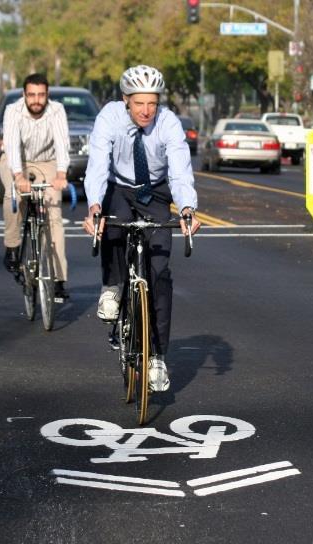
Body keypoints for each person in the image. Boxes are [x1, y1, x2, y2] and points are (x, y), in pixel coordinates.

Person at [83, 65, 200, 392]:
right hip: (118, 187)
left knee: (160, 272)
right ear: (126, 100)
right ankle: (112, 287)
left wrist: (188, 208)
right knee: (112, 225)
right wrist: (94, 206)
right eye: (139, 103)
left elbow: (179, 171)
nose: (146, 110)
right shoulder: (109, 117)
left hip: (156, 191)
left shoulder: (169, 123)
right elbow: (97, 165)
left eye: (152, 103)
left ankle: (157, 358)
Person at [1, 73, 70, 299]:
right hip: (16, 160)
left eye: (41, 95)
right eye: (31, 95)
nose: (36, 100)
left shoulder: (57, 110)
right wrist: (19, 178)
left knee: (54, 215)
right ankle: (12, 247)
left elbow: (62, 144)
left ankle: (58, 279)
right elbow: (11, 147)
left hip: (47, 162)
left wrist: (61, 175)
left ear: (47, 95)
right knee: (14, 194)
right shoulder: (13, 111)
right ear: (24, 95)